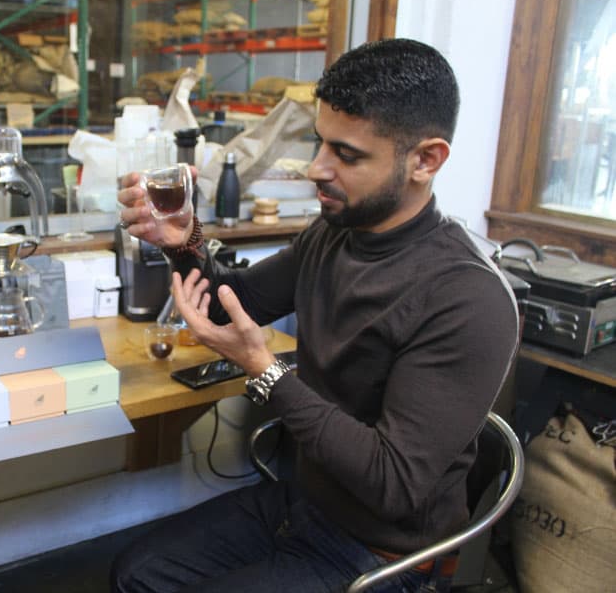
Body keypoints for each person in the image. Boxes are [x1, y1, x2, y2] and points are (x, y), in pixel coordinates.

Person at [110, 38, 520, 593]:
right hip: (305, 504)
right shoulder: (333, 234)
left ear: (426, 160)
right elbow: (235, 303)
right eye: (320, 143)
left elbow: (394, 485)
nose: (315, 168)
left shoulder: (467, 298)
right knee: (137, 572)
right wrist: (183, 242)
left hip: (380, 555)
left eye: (347, 156)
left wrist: (266, 371)